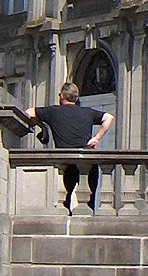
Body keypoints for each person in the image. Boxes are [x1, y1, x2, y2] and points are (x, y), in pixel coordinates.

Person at [33, 82, 113, 215]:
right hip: (87, 158)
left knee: (65, 197)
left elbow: (29, 113)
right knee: (89, 198)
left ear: (62, 96)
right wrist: (96, 138)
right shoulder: (87, 112)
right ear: (76, 98)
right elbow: (109, 117)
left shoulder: (53, 111)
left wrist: (43, 127)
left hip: (66, 161)